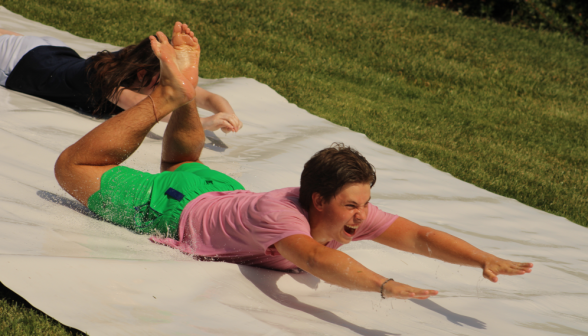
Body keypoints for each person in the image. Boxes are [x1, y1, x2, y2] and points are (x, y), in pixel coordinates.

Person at [54, 22, 533, 300]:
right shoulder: (282, 219)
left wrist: (480, 258)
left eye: (365, 205)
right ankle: (166, 98)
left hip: (213, 188)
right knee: (72, 168)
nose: (364, 216)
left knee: (181, 159)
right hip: (175, 209)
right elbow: (317, 260)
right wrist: (384, 286)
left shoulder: (345, 212)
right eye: (352, 207)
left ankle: (183, 93)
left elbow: (420, 236)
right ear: (319, 200)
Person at [0, 28, 241, 132]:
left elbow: (209, 97)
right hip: (18, 62)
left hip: (49, 51)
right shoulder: (106, 80)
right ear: (141, 75)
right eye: (163, 80)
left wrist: (229, 116)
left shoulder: (137, 68)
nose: (169, 86)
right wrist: (207, 122)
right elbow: (148, 109)